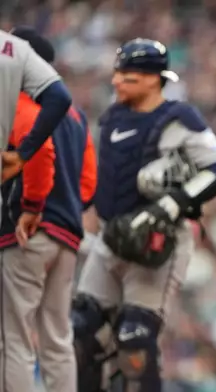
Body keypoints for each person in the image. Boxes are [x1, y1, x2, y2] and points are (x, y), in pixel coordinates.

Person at [71, 38, 216, 392]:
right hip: (111, 238)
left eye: (129, 74)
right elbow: (108, 177)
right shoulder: (114, 117)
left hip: (156, 244)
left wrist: (171, 203)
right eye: (118, 72)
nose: (118, 81)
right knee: (81, 328)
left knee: (135, 341)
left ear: (153, 78)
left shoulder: (177, 118)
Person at [0, 27, 97, 392]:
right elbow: (89, 182)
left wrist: (33, 206)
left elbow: (38, 150)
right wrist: (67, 209)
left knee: (15, 338)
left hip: (28, 232)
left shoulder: (20, 101)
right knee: (57, 338)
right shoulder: (75, 116)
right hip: (67, 236)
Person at [0, 28, 74, 182]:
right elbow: (60, 97)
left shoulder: (26, 109)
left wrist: (32, 203)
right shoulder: (13, 47)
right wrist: (22, 155)